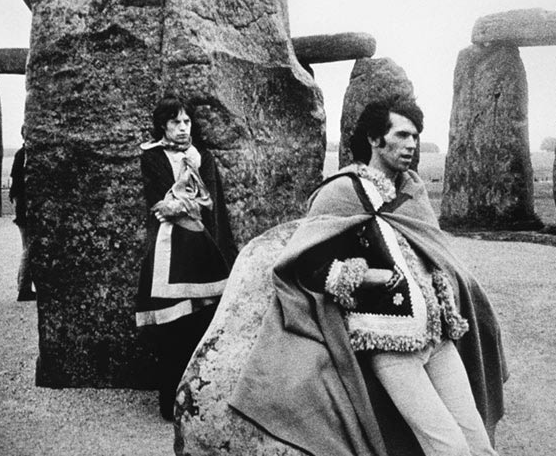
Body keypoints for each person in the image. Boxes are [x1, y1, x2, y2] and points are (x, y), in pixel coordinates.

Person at [230, 96, 508, 456]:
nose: (412, 145)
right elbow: (307, 267)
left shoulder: (411, 191)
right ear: (376, 140)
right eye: (403, 135)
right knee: (448, 447)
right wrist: (367, 276)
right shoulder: (342, 192)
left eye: (416, 137)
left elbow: (435, 253)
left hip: (438, 335)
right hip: (388, 342)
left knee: (478, 444)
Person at [135, 97, 238, 421]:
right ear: (162, 126)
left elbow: (206, 204)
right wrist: (179, 203)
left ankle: (196, 401)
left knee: (199, 328)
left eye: (187, 122)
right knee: (170, 330)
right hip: (167, 253)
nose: (182, 128)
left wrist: (180, 204)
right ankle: (169, 401)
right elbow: (160, 201)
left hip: (201, 252)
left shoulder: (201, 157)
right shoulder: (151, 157)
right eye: (175, 122)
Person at [9, 124, 35, 302]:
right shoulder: (24, 155)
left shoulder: (21, 154)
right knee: (29, 249)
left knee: (28, 247)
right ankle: (24, 288)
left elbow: (14, 186)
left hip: (23, 209)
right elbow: (19, 186)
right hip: (26, 210)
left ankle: (23, 285)